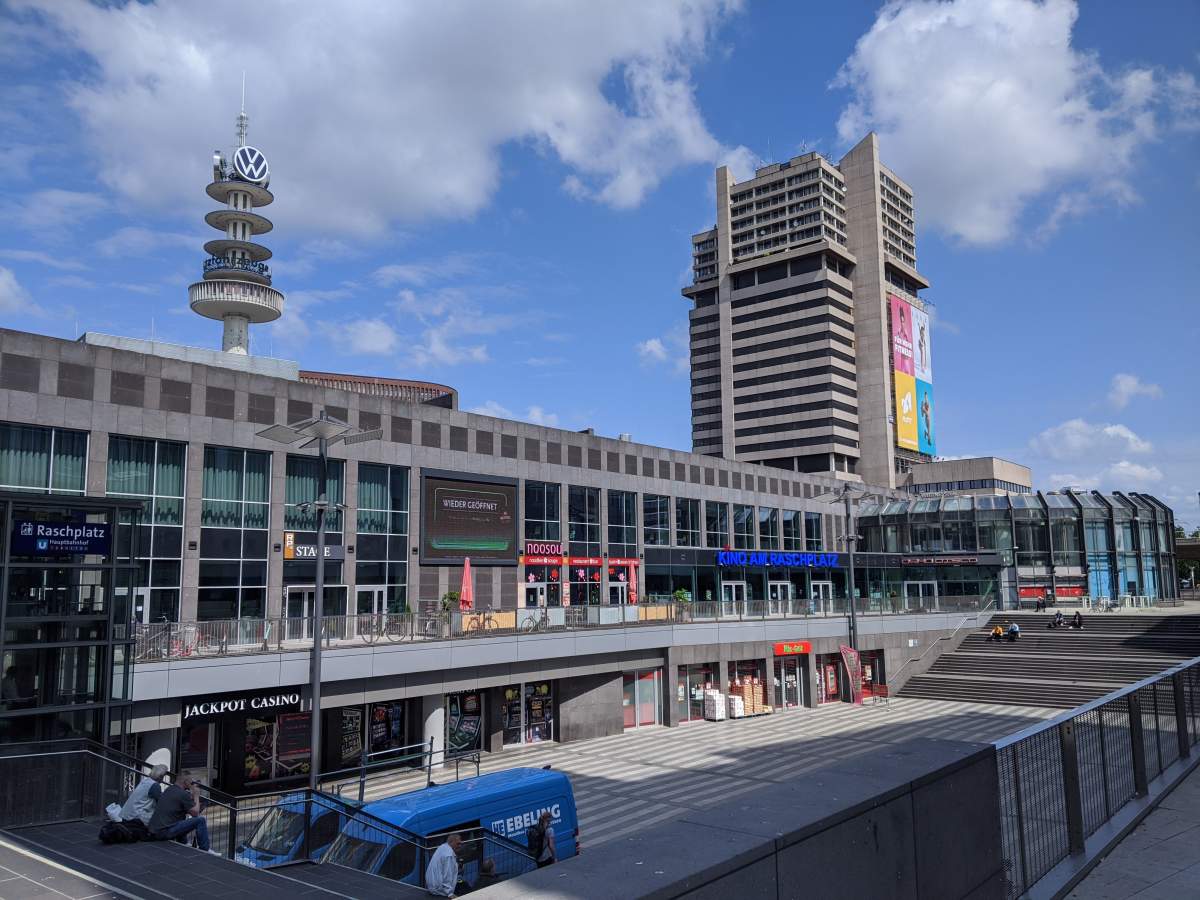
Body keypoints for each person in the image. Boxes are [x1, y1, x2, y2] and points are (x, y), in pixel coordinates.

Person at [147, 770, 211, 852]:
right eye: (191, 782)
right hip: (164, 832)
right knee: (200, 820)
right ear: (186, 782)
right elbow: (195, 813)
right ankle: (205, 850)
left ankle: (183, 843)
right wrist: (196, 795)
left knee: (181, 818)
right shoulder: (182, 794)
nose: (191, 784)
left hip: (155, 830)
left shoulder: (169, 789)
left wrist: (191, 796)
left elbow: (181, 808)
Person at [120, 763, 168, 827]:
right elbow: (161, 803)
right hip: (136, 817)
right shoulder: (155, 785)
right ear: (160, 776)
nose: (162, 780)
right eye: (163, 776)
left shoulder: (145, 781)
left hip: (126, 815)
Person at [425, 832, 462, 898]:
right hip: (439, 890)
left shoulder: (442, 847)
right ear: (451, 842)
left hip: (431, 886)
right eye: (458, 844)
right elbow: (447, 875)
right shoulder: (449, 855)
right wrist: (450, 893)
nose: (460, 846)